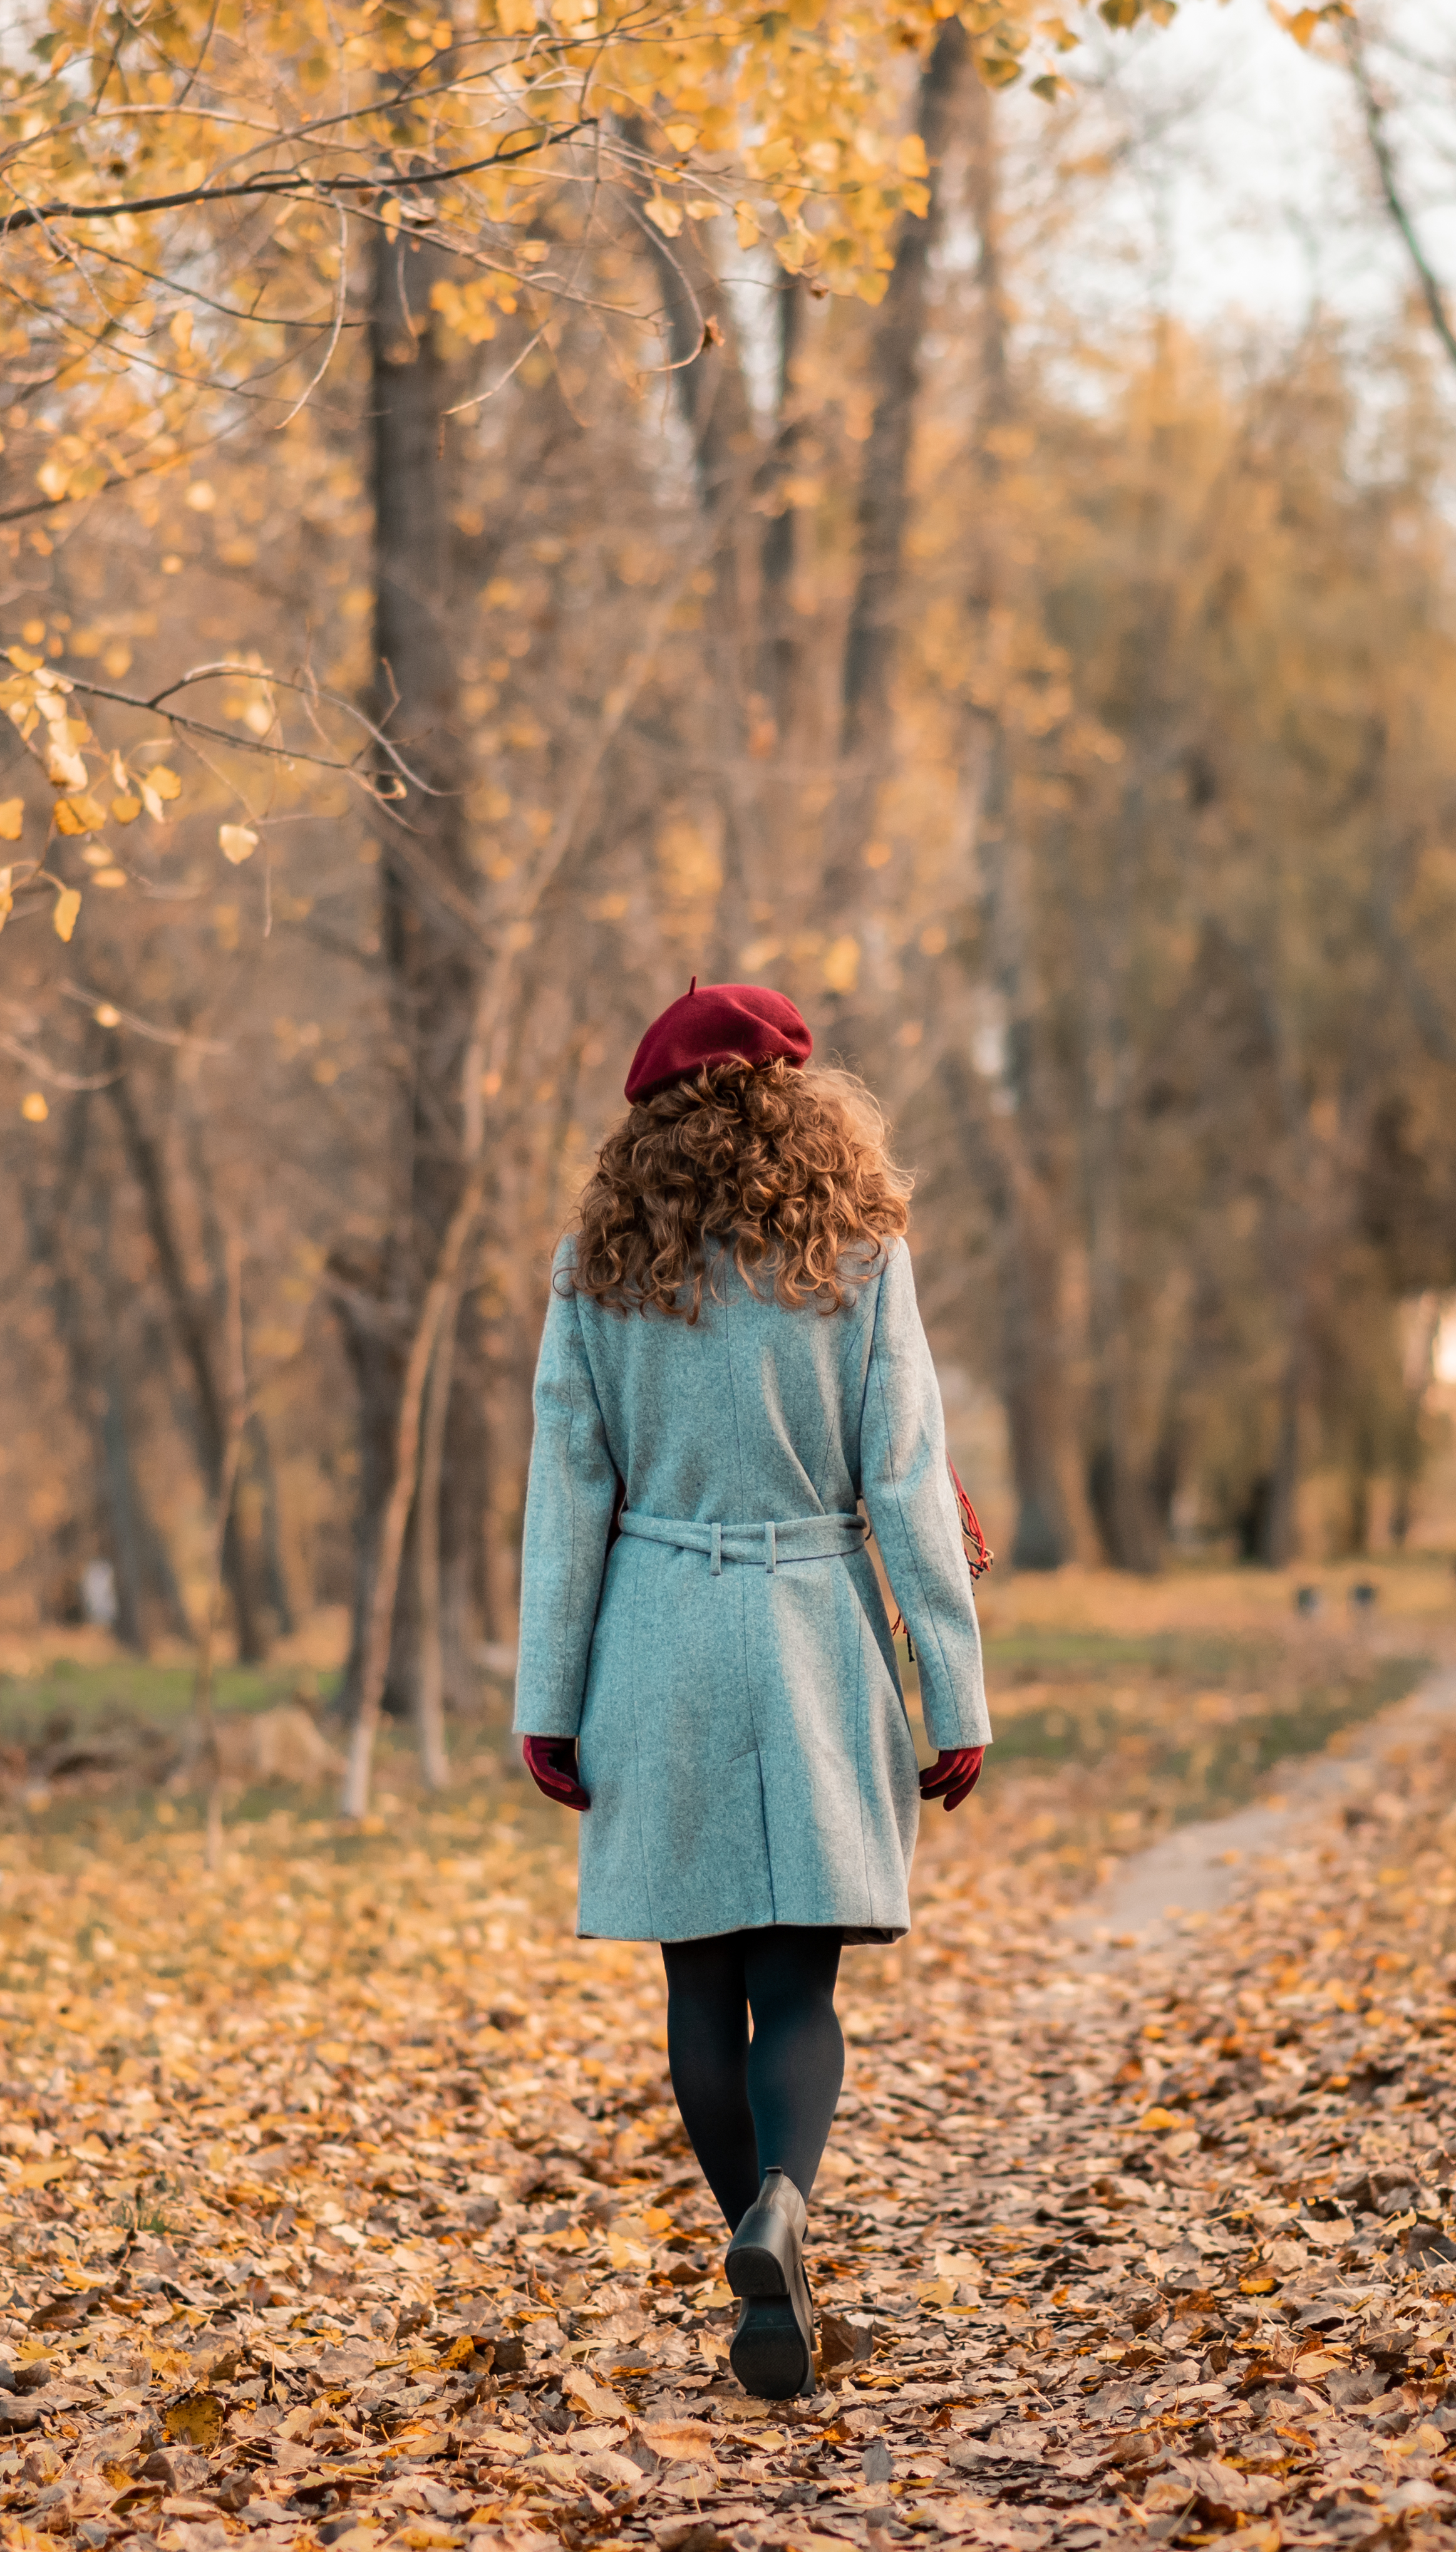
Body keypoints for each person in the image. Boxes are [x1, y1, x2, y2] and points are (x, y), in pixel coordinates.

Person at [509, 983, 992, 2402]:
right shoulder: (856, 1249)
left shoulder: (595, 1265)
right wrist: (952, 1689)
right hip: (811, 1631)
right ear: (802, 1103)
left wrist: (550, 1694)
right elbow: (902, 1472)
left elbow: (568, 1492)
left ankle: (751, 2246)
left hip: (656, 1631)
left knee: (697, 1978)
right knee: (799, 1980)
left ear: (649, 1116)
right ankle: (783, 2208)